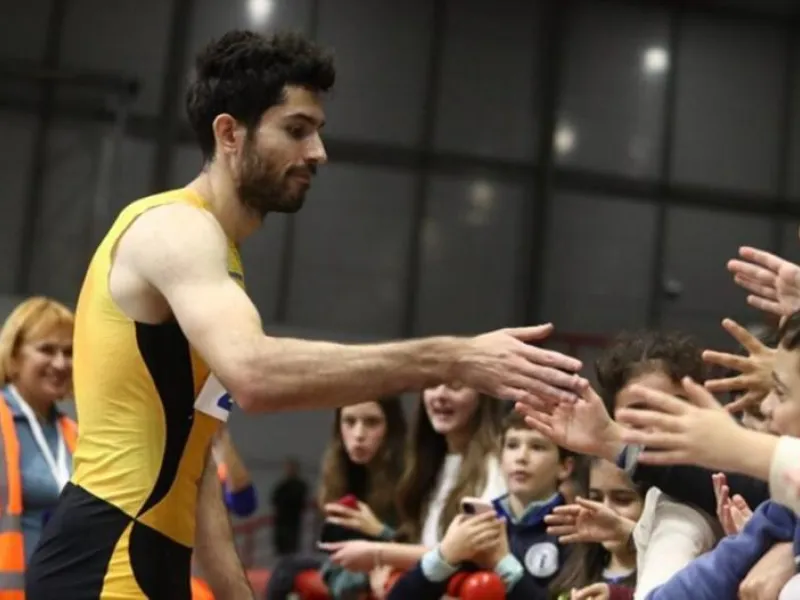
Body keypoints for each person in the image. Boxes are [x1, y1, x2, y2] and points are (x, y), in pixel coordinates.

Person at [25, 29, 585, 600]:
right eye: (296, 130)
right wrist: (453, 358)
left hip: (144, 565)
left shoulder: (217, 261)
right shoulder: (177, 228)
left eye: (317, 131)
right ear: (229, 133)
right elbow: (255, 374)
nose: (317, 152)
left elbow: (196, 473)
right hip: (101, 562)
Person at [0, 297, 76, 596]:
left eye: (68, 352)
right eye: (47, 349)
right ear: (13, 357)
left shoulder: (76, 435)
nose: (60, 363)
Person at [271, 457, 308, 556]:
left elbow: (298, 500)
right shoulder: (283, 485)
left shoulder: (299, 485)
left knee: (291, 543)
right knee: (281, 543)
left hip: (292, 518)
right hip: (282, 519)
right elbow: (274, 499)